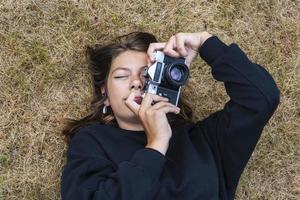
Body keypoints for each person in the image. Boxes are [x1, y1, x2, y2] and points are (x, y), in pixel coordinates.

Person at [60, 31, 280, 200]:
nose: (136, 82)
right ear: (105, 95)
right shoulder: (93, 142)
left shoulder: (204, 141)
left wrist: (205, 42)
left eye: (147, 74)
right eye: (121, 76)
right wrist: (156, 145)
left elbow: (260, 99)